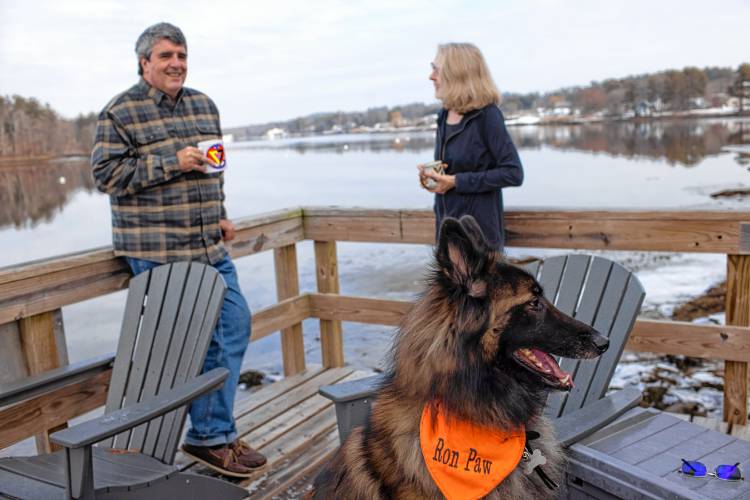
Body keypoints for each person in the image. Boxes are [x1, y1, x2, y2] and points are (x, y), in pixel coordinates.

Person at [91, 22, 266, 478]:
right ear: (144, 62)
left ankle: (210, 435)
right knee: (175, 347)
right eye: (166, 56)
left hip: (208, 245)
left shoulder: (204, 105)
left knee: (233, 323)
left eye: (182, 55)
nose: (176, 64)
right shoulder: (119, 112)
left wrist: (222, 212)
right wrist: (173, 160)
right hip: (158, 251)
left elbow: (216, 172)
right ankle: (179, 445)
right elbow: (106, 175)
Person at [419, 43, 524, 251]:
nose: (431, 76)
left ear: (457, 74)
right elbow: (451, 168)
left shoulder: (487, 116)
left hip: (479, 241)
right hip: (447, 237)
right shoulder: (443, 115)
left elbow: (513, 173)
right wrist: (433, 178)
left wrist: (456, 181)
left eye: (436, 69)